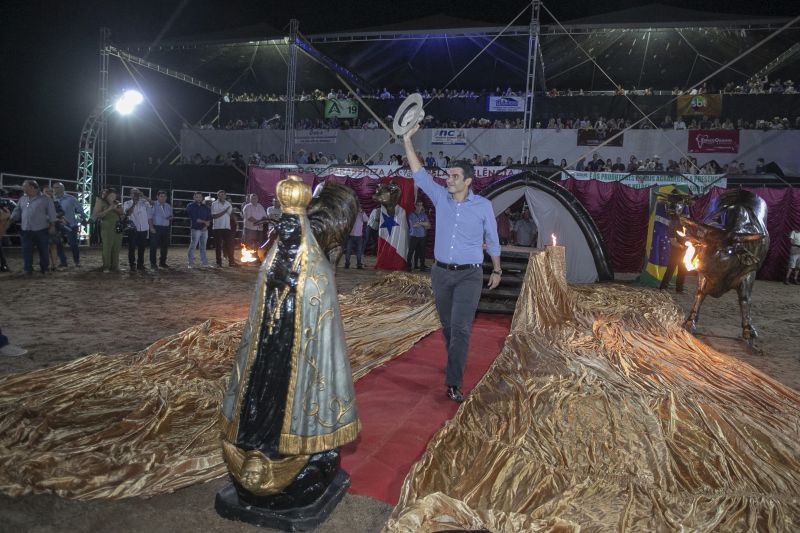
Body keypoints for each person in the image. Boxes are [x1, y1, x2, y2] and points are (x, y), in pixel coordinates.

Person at [219, 175, 359, 508]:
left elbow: (318, 318)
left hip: (297, 355)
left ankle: (301, 443)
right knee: (262, 399)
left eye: (290, 225)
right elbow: (261, 306)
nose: (283, 232)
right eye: (281, 225)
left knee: (290, 396)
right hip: (267, 354)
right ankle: (259, 443)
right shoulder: (273, 262)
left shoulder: (316, 270)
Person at [403, 124, 502, 402]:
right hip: (441, 274)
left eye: (455, 176)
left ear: (468, 181)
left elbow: (492, 239)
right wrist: (407, 140)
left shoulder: (483, 206)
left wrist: (496, 268)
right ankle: (455, 357)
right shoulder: (440, 199)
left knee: (460, 328)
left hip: (469, 276)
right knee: (448, 327)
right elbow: (419, 173)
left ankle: (453, 382)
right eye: (448, 175)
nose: (449, 179)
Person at [8, 180, 57, 275]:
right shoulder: (23, 199)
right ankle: (28, 269)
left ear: (32, 187)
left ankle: (44, 268)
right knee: (26, 250)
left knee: (43, 250)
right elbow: (17, 211)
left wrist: (52, 226)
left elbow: (52, 214)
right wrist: (10, 220)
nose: (23, 188)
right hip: (26, 229)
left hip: (41, 229)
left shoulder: (46, 199)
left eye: (24, 186)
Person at [52, 182, 86, 267]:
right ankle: (63, 262)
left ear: (62, 189)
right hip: (58, 225)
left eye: (57, 187)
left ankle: (76, 261)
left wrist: (83, 218)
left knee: (73, 243)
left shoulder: (71, 198)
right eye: (54, 187)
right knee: (58, 243)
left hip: (70, 224)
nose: (54, 189)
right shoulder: (52, 199)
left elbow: (80, 208)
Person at [92, 188, 124, 272]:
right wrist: (110, 208)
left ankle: (115, 266)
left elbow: (122, 213)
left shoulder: (117, 202)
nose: (113, 197)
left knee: (116, 247)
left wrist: (115, 208)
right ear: (107, 195)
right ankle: (106, 266)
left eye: (114, 195)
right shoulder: (100, 202)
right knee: (107, 247)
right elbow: (97, 215)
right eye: (111, 195)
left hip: (117, 227)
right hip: (106, 227)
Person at [122, 188, 151, 271]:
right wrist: (134, 204)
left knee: (142, 248)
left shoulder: (144, 202)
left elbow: (152, 203)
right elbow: (127, 213)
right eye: (133, 193)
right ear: (130, 194)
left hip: (144, 228)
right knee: (132, 248)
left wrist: (143, 196)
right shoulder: (127, 203)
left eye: (137, 193)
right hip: (133, 228)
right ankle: (132, 265)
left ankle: (140, 264)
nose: (135, 195)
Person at [659, 210, 688, 293]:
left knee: (683, 271)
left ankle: (679, 289)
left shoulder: (688, 227)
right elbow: (673, 242)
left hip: (685, 252)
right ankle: (663, 288)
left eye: (686, 217)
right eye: (684, 217)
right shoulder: (674, 226)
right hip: (676, 252)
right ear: (680, 218)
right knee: (670, 269)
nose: (686, 219)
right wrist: (683, 247)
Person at [212, 190, 238, 267]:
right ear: (218, 196)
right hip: (217, 227)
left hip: (227, 227)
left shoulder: (228, 204)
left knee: (230, 245)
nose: (222, 196)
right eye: (220, 195)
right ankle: (218, 263)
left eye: (223, 194)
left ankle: (231, 262)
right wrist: (224, 211)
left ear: (225, 196)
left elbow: (230, 215)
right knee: (218, 246)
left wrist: (235, 222)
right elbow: (214, 216)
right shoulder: (214, 204)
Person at [147, 190, 173, 269]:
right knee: (153, 246)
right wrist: (151, 227)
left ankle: (162, 262)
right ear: (157, 197)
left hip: (165, 227)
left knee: (165, 246)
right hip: (156, 227)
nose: (163, 198)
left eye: (165, 196)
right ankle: (153, 263)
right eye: (161, 196)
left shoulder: (168, 206)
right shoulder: (153, 204)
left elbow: (171, 215)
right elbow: (149, 217)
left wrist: (170, 217)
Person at [186, 192, 211, 268]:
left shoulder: (205, 207)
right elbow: (194, 218)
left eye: (200, 197)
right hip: (196, 228)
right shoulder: (190, 206)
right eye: (196, 197)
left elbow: (209, 217)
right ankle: (190, 263)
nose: (198, 198)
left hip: (204, 229)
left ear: (202, 198)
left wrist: (206, 225)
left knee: (203, 246)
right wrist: (205, 223)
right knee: (193, 245)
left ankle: (204, 263)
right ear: (194, 197)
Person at [406, 200, 430, 271]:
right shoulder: (411, 215)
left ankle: (421, 266)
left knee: (421, 252)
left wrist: (420, 223)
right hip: (414, 236)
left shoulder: (424, 214)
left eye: (421, 205)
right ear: (415, 206)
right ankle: (409, 266)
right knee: (411, 251)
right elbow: (414, 225)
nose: (420, 207)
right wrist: (423, 223)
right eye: (418, 205)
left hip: (422, 236)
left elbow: (428, 225)